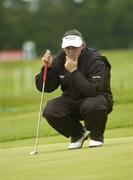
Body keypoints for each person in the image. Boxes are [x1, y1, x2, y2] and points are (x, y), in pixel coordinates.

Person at [35, 29, 114, 150]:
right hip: (71, 100)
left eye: (74, 47)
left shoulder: (96, 60)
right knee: (51, 110)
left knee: (92, 105)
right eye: (67, 48)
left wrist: (74, 71)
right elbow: (45, 87)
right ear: (63, 48)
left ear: (82, 45)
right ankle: (78, 134)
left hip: (98, 99)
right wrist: (48, 68)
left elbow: (93, 90)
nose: (70, 51)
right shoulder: (60, 59)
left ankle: (96, 136)